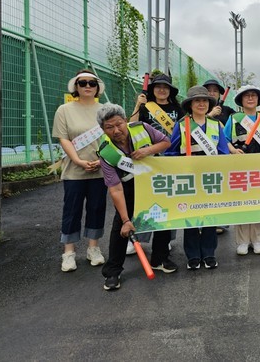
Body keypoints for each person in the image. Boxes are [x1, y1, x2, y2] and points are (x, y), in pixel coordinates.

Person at [97, 103, 174, 291]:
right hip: (127, 187)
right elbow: (115, 189)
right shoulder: (106, 152)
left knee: (160, 217)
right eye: (109, 127)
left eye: (119, 124)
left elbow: (166, 142)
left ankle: (159, 258)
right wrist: (125, 220)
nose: (116, 130)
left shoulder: (142, 128)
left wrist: (148, 150)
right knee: (120, 227)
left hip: (153, 183)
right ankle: (113, 271)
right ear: (103, 129)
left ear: (125, 121)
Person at [165, 85, 230, 270]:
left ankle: (209, 253)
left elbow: (223, 152)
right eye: (197, 101)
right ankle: (192, 255)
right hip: (189, 179)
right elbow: (171, 152)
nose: (201, 104)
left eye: (204, 101)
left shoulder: (216, 125)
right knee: (190, 215)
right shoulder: (181, 125)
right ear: (190, 104)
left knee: (210, 215)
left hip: (211, 178)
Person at [52, 69, 107, 272]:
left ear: (97, 87)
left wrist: (102, 160)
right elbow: (63, 138)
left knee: (97, 207)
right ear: (75, 86)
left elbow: (112, 137)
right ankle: (69, 253)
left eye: (92, 83)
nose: (87, 87)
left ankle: (93, 248)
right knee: (72, 209)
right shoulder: (64, 110)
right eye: (82, 83)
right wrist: (77, 160)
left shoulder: (105, 110)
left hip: (101, 169)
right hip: (74, 170)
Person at [126, 73, 182, 255]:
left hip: (171, 159)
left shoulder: (177, 109)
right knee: (144, 199)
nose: (162, 90)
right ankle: (138, 238)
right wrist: (138, 104)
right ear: (152, 89)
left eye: (165, 87)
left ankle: (165, 239)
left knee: (168, 200)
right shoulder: (145, 107)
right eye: (158, 86)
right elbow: (131, 126)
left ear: (170, 90)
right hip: (146, 158)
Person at [224, 84, 260, 255]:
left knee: (259, 202)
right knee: (241, 203)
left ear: (258, 99)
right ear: (241, 100)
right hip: (240, 167)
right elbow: (224, 139)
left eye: (253, 96)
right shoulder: (234, 118)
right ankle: (242, 241)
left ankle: (257, 239)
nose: (250, 98)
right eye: (246, 95)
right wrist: (233, 150)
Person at [203, 78, 236, 234]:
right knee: (203, 191)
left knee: (220, 190)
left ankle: (219, 223)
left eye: (215, 91)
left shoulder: (228, 111)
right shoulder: (198, 108)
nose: (212, 93)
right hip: (202, 158)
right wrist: (209, 115)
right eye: (209, 90)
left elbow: (236, 127)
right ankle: (202, 222)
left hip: (221, 156)